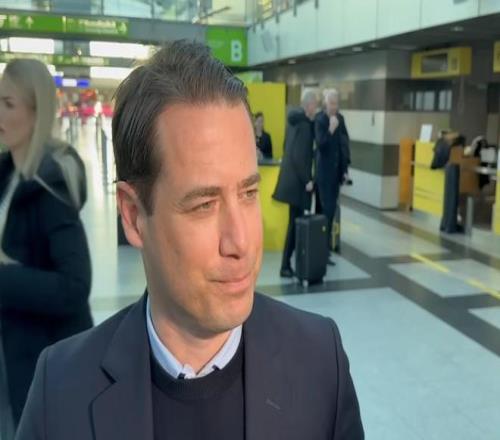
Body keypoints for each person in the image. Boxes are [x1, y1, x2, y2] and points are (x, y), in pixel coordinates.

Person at [17, 41, 363, 440]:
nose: (241, 243)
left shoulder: (321, 363)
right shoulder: (60, 391)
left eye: (249, 193)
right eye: (204, 205)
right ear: (133, 216)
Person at [0, 59, 92, 430]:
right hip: (10, 352)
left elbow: (75, 286)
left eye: (8, 104)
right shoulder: (7, 176)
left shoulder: (50, 189)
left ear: (36, 113)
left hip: (39, 362)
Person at [273, 90, 318, 278]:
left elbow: (287, 147)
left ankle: (288, 264)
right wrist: (307, 180)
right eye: (315, 104)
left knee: (293, 224)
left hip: (290, 181)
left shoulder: (293, 122)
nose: (316, 108)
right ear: (309, 105)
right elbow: (299, 157)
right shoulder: (305, 126)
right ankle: (285, 265)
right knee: (294, 226)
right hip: (298, 185)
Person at [315, 89, 350, 253]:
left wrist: (345, 169)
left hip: (336, 174)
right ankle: (323, 248)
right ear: (325, 104)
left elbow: (344, 145)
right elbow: (321, 145)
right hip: (324, 174)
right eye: (331, 103)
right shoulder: (320, 119)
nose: (334, 107)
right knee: (327, 210)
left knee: (331, 210)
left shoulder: (340, 119)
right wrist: (330, 129)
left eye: (336, 104)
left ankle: (327, 246)